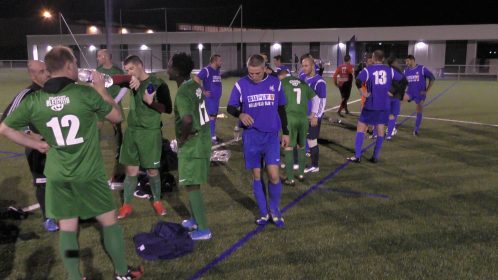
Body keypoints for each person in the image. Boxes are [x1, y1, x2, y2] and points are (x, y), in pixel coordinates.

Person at [0, 46, 143, 279]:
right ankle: (121, 272)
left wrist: (36, 144)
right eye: (75, 63)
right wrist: (101, 90)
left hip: (58, 175)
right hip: (88, 173)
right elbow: (117, 117)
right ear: (68, 65)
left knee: (67, 228)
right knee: (109, 222)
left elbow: (5, 128)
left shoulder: (35, 99)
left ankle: (75, 277)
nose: (78, 67)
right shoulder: (84, 94)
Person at [227, 54, 289, 227]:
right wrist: (240, 113)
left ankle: (275, 210)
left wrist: (286, 132)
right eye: (251, 73)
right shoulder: (241, 84)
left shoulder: (275, 84)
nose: (253, 76)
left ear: (264, 69)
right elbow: (231, 106)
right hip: (251, 137)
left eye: (257, 73)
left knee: (274, 175)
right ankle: (263, 213)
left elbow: (281, 108)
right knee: (256, 175)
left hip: (270, 136)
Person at [0, 60, 58, 232]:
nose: (47, 74)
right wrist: (31, 137)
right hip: (37, 149)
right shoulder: (26, 94)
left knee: (64, 180)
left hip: (58, 147)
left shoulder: (54, 91)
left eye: (47, 70)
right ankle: (49, 219)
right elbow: (5, 122)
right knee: (42, 182)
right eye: (41, 71)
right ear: (32, 75)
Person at [118, 55, 172, 219]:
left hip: (150, 133)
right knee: (131, 170)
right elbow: (113, 80)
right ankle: (126, 205)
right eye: (127, 70)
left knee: (152, 170)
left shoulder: (158, 83)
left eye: (131, 69)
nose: (129, 72)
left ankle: (156, 201)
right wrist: (128, 77)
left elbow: (168, 108)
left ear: (140, 66)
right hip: (132, 131)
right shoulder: (131, 81)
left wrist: (151, 103)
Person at [169, 53, 213, 240]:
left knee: (191, 185)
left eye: (170, 65)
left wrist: (181, 140)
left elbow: (187, 119)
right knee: (191, 183)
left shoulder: (182, 92)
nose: (167, 68)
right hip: (202, 138)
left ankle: (203, 229)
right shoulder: (195, 85)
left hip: (193, 143)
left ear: (177, 71)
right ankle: (195, 220)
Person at [347, 50, 404, 163]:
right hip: (384, 105)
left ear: (373, 58)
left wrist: (363, 93)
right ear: (383, 59)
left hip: (371, 104)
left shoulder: (368, 70)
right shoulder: (390, 70)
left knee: (361, 127)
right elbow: (402, 80)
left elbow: (358, 81)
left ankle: (357, 156)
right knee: (381, 130)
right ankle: (375, 157)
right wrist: (392, 91)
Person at [277, 69, 319, 185]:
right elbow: (316, 98)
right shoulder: (302, 82)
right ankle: (301, 174)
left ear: (282, 76)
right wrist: (313, 114)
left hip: (289, 119)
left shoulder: (282, 83)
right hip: (303, 119)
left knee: (289, 148)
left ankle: (290, 179)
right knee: (301, 146)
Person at [96, 49, 127, 181]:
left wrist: (115, 100)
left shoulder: (117, 71)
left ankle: (119, 156)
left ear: (106, 57)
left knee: (118, 134)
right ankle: (95, 154)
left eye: (99, 56)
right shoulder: (98, 71)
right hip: (100, 108)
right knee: (96, 130)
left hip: (114, 107)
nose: (98, 58)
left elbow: (125, 86)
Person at [301, 56, 327, 173]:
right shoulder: (302, 77)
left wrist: (316, 116)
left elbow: (322, 101)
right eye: (302, 65)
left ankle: (314, 165)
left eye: (306, 65)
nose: (303, 68)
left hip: (313, 116)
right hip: (303, 114)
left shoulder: (319, 81)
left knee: (312, 140)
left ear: (312, 66)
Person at [193, 54, 223, 144]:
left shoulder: (217, 70)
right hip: (210, 99)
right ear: (215, 61)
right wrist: (203, 91)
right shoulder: (207, 70)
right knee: (210, 117)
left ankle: (210, 135)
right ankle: (211, 137)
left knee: (212, 117)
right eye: (220, 61)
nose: (221, 62)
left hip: (215, 99)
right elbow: (196, 78)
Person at [404, 54, 435, 136]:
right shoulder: (406, 71)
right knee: (397, 101)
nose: (406, 63)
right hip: (409, 93)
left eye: (407, 61)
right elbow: (403, 82)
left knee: (419, 110)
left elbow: (432, 78)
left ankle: (416, 129)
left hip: (419, 94)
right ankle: (391, 122)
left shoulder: (421, 68)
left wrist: (426, 90)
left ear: (412, 60)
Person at [386, 57, 408, 140]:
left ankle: (377, 134)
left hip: (387, 96)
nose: (398, 63)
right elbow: (405, 82)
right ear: (393, 62)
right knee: (392, 115)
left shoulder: (387, 70)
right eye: (396, 61)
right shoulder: (397, 71)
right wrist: (395, 91)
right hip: (395, 96)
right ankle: (389, 134)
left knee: (385, 114)